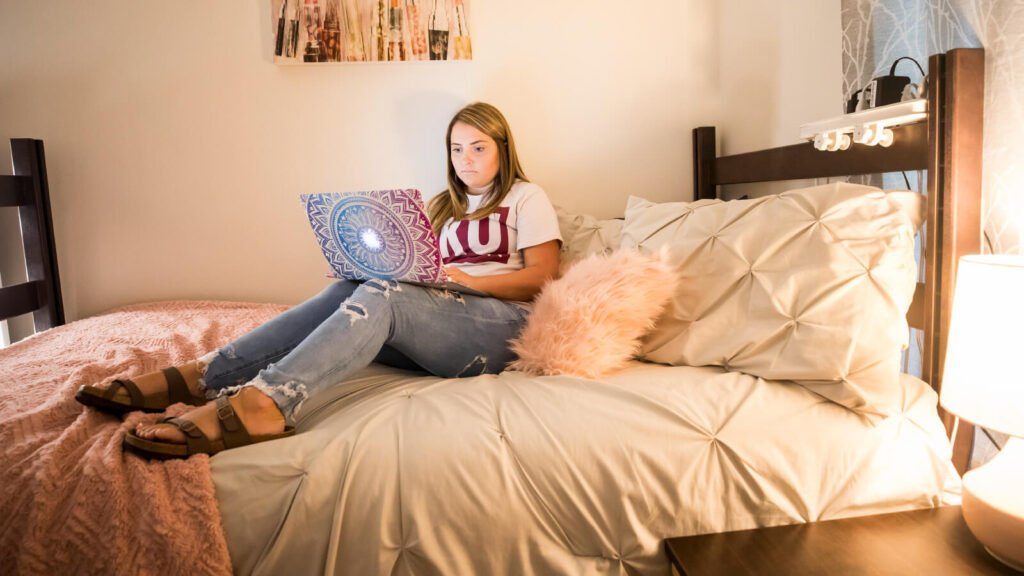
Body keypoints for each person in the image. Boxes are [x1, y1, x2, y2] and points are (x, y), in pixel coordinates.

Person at [74, 102, 562, 459]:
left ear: (503, 149)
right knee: (353, 290)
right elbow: (420, 280)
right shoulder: (442, 206)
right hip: (437, 324)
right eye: (457, 149)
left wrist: (459, 280)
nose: (466, 159)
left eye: (478, 147)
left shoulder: (525, 196)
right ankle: (205, 377)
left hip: (498, 329)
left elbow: (540, 278)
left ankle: (265, 404)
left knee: (386, 296)